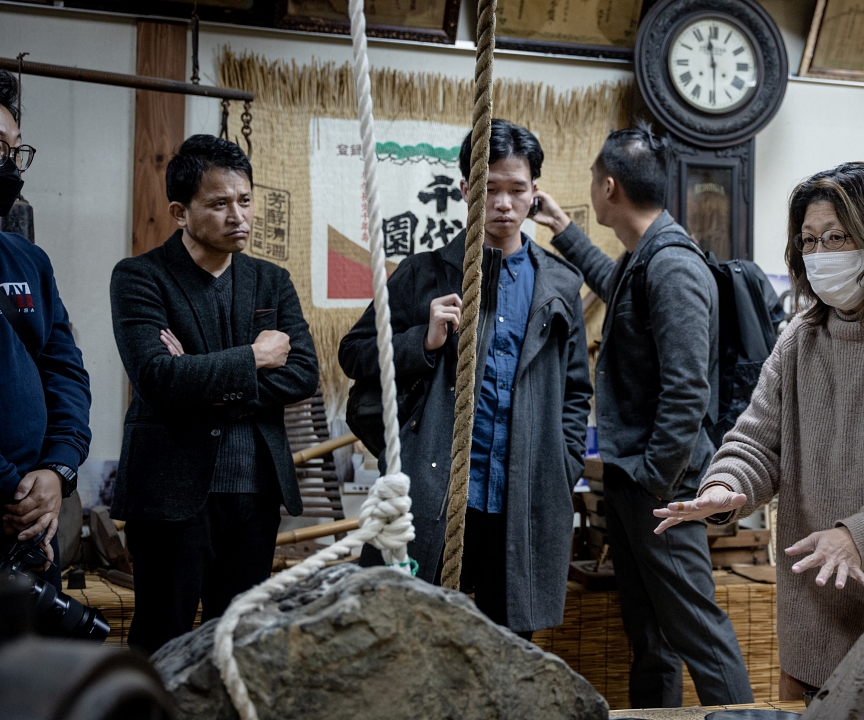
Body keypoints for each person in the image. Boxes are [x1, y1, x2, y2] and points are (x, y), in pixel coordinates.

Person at [653, 162, 864, 698]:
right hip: (815, 617)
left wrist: (858, 536)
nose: (820, 254)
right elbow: (757, 441)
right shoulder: (800, 338)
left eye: (837, 238)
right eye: (809, 241)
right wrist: (724, 485)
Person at [338, 119, 592, 640]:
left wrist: (561, 465)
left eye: (516, 189)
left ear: (535, 193)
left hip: (521, 496)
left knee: (509, 646)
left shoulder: (559, 282)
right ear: (464, 191)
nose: (503, 203)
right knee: (413, 636)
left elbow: (575, 391)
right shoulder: (424, 273)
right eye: (489, 188)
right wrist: (422, 341)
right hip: (436, 490)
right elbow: (354, 353)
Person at [533, 124, 752, 708]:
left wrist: (655, 480)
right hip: (637, 480)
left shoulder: (673, 265)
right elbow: (618, 288)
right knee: (651, 639)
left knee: (700, 634)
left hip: (662, 487)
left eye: (592, 181)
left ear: (609, 187)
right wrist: (564, 229)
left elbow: (688, 390)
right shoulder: (646, 256)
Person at [109, 134, 319, 655]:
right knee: (162, 640)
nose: (238, 216)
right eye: (219, 204)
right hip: (170, 492)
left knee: (240, 643)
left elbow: (303, 374)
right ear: (180, 212)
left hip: (255, 490)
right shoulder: (140, 277)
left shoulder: (271, 281)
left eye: (245, 200)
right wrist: (253, 356)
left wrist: (200, 373)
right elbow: (158, 378)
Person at [0, 69, 92, 589]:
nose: (10, 166)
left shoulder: (28, 260)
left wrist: (58, 470)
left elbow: (65, 371)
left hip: (33, 523)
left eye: (16, 151)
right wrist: (13, 491)